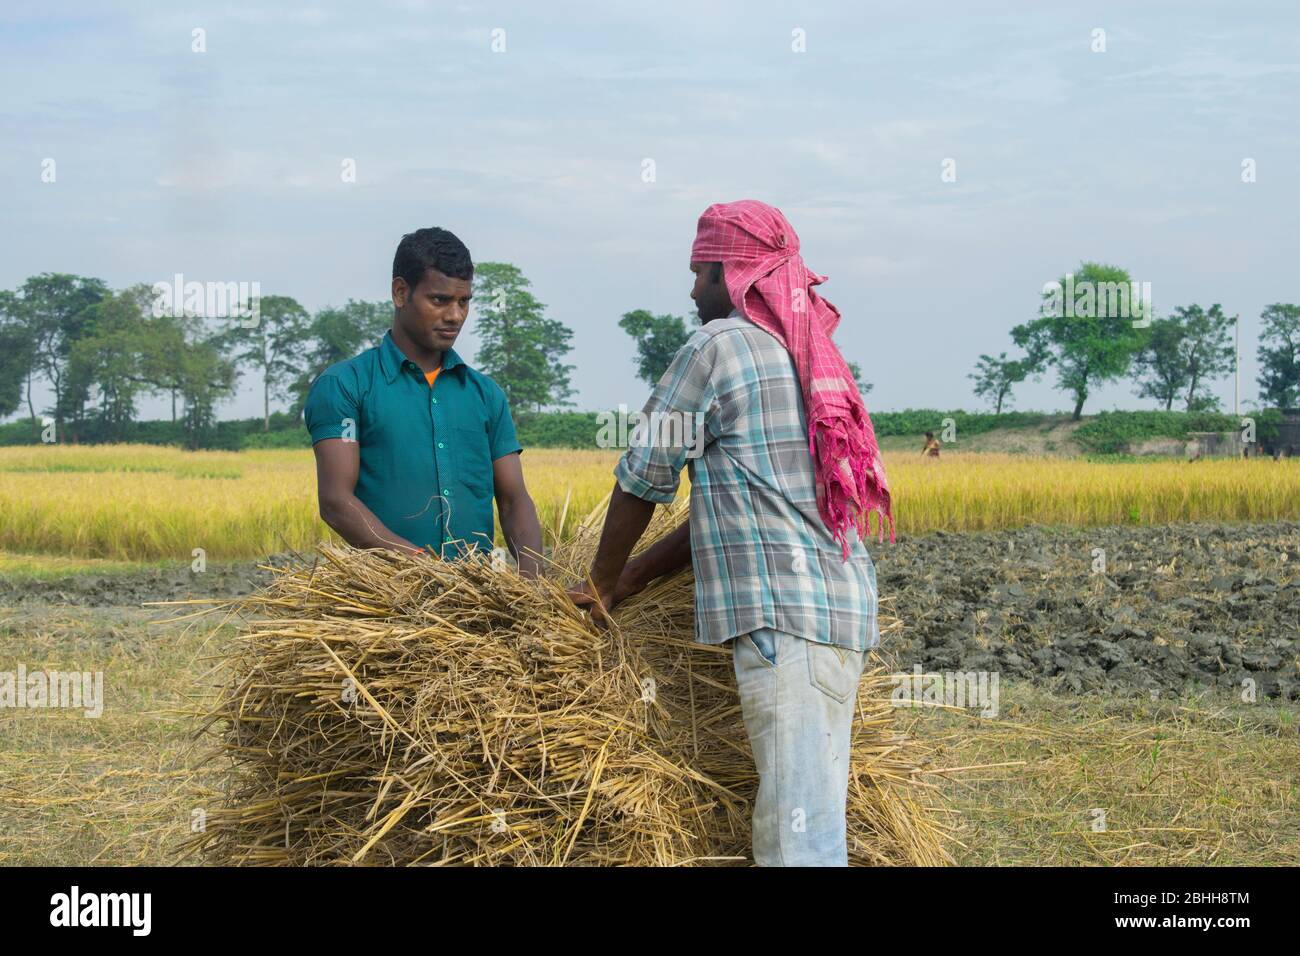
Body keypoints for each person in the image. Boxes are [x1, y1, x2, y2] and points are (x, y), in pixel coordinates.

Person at [567, 200, 892, 866]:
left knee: (796, 839)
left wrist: (599, 584)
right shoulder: (802, 354)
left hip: (788, 621)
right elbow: (730, 508)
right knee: (813, 818)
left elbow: (644, 475)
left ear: (734, 273)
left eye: (701, 272)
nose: (692, 290)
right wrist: (632, 579)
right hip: (836, 614)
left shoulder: (719, 346)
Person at [304, 227, 543, 575]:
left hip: (477, 605)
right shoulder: (345, 386)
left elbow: (513, 499)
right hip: (386, 601)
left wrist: (534, 585)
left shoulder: (486, 395)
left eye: (464, 302)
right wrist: (427, 570)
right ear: (401, 293)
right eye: (440, 300)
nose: (455, 315)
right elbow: (336, 502)